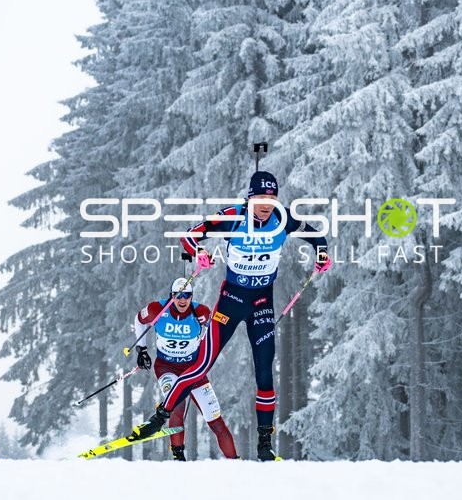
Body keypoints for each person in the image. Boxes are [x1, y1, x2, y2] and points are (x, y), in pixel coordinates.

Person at [131, 171, 331, 460]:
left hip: (262, 303)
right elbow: (189, 236)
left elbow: (316, 236)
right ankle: (159, 418)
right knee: (200, 365)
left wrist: (322, 255)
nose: (266, 205)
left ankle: (265, 444)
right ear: (250, 198)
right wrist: (199, 252)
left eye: (271, 199)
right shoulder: (233, 216)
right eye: (260, 198)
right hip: (231, 301)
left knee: (265, 372)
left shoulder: (283, 218)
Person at [128, 277, 238, 460]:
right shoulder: (157, 309)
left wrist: (234, 315)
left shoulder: (201, 312)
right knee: (177, 405)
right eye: (177, 295)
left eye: (186, 295)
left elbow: (219, 326)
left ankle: (236, 462)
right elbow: (139, 320)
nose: (182, 299)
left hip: (194, 370)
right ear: (171, 296)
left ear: (191, 297)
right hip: (167, 368)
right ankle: (178, 457)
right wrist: (142, 350)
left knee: (214, 418)